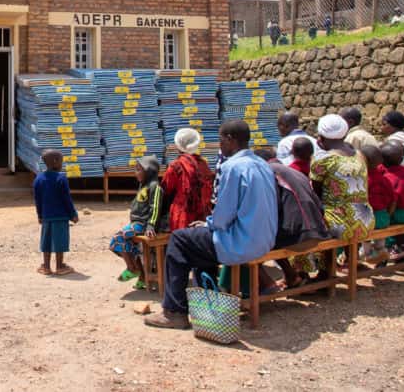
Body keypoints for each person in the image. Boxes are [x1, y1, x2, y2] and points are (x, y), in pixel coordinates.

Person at [145, 120, 277, 330]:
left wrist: (208, 223)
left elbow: (223, 217)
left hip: (242, 242)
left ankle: (174, 311)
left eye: (221, 140)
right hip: (265, 239)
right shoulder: (262, 164)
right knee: (198, 241)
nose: (220, 145)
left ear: (230, 139)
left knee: (179, 240)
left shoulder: (232, 167)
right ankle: (207, 301)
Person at [311, 114, 375, 259]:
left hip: (340, 225)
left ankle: (325, 272)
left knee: (312, 223)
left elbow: (315, 194)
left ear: (321, 138)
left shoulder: (323, 161)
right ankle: (350, 261)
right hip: (366, 222)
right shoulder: (360, 155)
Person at [268, 158, 328, 289]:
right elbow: (319, 204)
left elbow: (273, 207)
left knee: (267, 239)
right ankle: (318, 273)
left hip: (298, 235)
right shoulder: (298, 174)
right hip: (319, 231)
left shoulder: (270, 174)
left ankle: (292, 276)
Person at [109, 155, 167, 290]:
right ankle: (142, 276)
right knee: (131, 247)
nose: (136, 173)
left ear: (149, 171)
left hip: (144, 224)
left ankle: (132, 268)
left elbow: (156, 208)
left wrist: (151, 225)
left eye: (138, 169)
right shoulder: (143, 186)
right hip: (137, 223)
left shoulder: (155, 187)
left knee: (119, 237)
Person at [33, 150, 79, 276]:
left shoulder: (38, 178)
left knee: (46, 241)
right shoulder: (61, 178)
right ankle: (60, 266)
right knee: (60, 241)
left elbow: (37, 199)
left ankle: (46, 267)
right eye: (61, 161)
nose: (62, 164)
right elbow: (66, 198)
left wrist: (40, 215)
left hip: (47, 216)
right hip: (61, 216)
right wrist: (73, 214)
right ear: (55, 162)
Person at [160, 128, 214, 231]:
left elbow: (165, 190)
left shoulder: (176, 166)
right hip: (203, 215)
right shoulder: (203, 164)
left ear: (178, 146)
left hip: (182, 216)